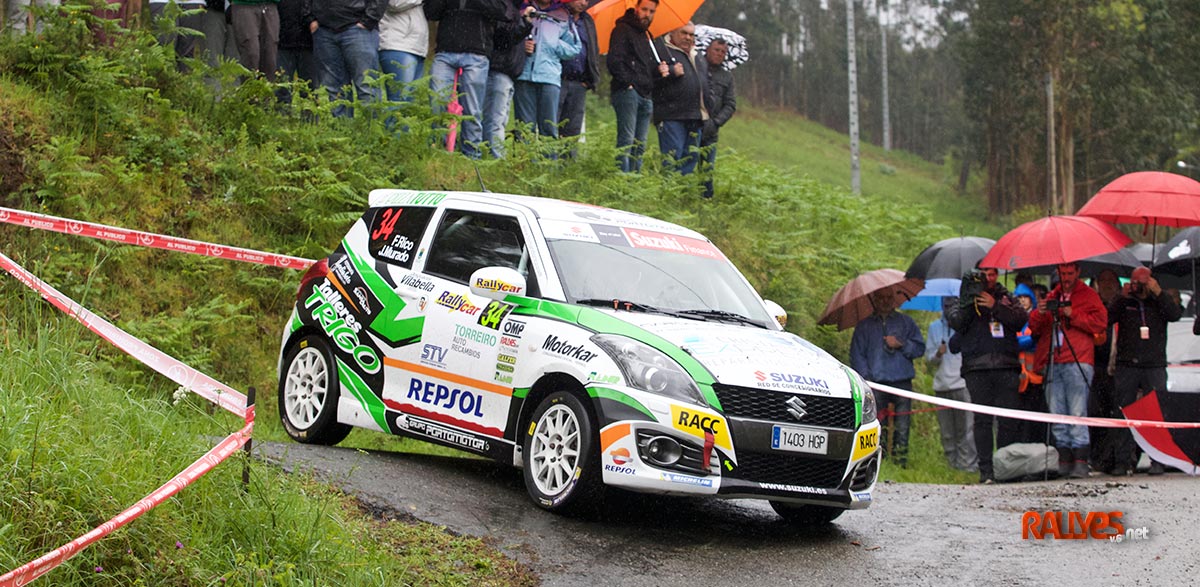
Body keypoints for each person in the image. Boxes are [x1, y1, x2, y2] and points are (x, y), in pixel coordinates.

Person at [946, 267, 1027, 484]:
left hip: (1007, 365)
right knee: (982, 420)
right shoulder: (963, 296)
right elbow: (955, 322)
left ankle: (1006, 467)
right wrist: (969, 301)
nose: (989, 279)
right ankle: (986, 470)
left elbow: (1021, 319)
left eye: (992, 274)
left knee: (1008, 419)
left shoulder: (1005, 296)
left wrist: (996, 306)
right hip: (976, 368)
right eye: (984, 275)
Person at [1029, 262, 1108, 479]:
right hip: (1053, 360)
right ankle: (1064, 458)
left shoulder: (1089, 295)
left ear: (1078, 272)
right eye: (1062, 273)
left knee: (1077, 411)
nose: (1066, 277)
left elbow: (1100, 323)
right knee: (1057, 412)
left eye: (1070, 273)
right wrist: (1040, 311)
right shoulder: (1052, 296)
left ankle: (1081, 460)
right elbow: (1034, 328)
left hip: (1078, 358)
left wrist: (1073, 314)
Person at [1108, 266, 1182, 475]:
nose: (1138, 287)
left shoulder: (1159, 301)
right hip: (1127, 364)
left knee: (1157, 411)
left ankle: (1158, 459)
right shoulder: (1125, 301)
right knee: (1123, 411)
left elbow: (1175, 315)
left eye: (1142, 282)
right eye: (1135, 282)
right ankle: (1122, 461)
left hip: (1154, 364)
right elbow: (1107, 318)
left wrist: (1158, 292)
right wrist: (1120, 297)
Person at [850, 287, 926, 467]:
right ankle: (877, 460)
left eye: (889, 297)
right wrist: (867, 380)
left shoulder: (906, 322)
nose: (885, 301)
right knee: (876, 424)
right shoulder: (864, 326)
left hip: (902, 381)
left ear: (894, 299)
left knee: (903, 425)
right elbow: (857, 355)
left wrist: (901, 344)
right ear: (874, 300)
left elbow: (919, 348)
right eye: (881, 297)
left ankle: (901, 462)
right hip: (876, 384)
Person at [424, 0, 508, 156]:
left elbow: (502, 11)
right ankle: (436, 152)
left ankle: (472, 156)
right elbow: (431, 12)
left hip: (477, 53)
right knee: (437, 102)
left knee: (472, 109)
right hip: (445, 51)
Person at [606, 0, 668, 173]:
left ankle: (634, 181)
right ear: (636, 9)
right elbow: (614, 61)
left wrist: (659, 71)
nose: (647, 14)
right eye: (644, 9)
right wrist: (629, 83)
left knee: (640, 144)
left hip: (645, 94)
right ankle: (622, 179)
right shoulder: (622, 30)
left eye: (652, 11)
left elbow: (645, 68)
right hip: (628, 92)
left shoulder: (646, 35)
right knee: (626, 140)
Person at [513, 0, 580, 144]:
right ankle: (523, 165)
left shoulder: (562, 15)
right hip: (524, 75)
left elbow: (574, 47)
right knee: (524, 128)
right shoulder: (522, 9)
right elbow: (510, 35)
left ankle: (547, 166)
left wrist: (554, 43)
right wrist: (521, 45)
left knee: (549, 128)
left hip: (549, 77)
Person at [305, 0, 385, 117]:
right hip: (324, 30)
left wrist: (369, 19)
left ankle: (372, 132)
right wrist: (310, 19)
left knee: (367, 86)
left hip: (359, 28)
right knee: (335, 90)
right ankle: (342, 131)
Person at [925, 296, 977, 472]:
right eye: (946, 305)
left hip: (962, 383)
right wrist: (938, 354)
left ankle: (968, 465)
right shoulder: (934, 327)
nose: (948, 309)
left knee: (966, 429)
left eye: (952, 305)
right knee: (948, 431)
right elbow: (929, 360)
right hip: (942, 385)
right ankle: (952, 466)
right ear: (941, 305)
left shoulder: (966, 325)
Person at [652, 22, 707, 175]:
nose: (688, 38)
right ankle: (668, 193)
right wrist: (671, 71)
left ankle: (682, 195)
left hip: (695, 116)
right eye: (684, 33)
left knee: (690, 159)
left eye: (691, 34)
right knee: (672, 158)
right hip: (671, 115)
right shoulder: (661, 51)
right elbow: (652, 80)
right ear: (673, 32)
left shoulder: (697, 56)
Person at [481, 0, 533, 158]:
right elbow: (503, 39)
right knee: (495, 119)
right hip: (498, 69)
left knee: (501, 118)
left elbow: (513, 40)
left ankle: (493, 156)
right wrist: (525, 23)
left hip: (510, 73)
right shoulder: (503, 8)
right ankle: (495, 158)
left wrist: (526, 48)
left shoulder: (514, 9)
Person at [1088, 269, 1122, 474]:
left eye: (1111, 281)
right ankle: (1097, 457)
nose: (1107, 285)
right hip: (1096, 367)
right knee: (1095, 412)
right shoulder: (1094, 306)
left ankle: (1114, 459)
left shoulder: (1122, 304)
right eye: (1103, 281)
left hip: (1119, 367)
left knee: (1116, 413)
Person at [557, 0, 599, 145]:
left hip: (579, 82)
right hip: (558, 78)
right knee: (552, 124)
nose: (583, 3)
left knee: (572, 132)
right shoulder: (557, 14)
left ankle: (568, 166)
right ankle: (548, 164)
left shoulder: (587, 21)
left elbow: (593, 49)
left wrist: (590, 79)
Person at [699, 37, 735, 198]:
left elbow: (730, 104)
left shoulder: (727, 77)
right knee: (686, 163)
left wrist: (717, 122)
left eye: (723, 52)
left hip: (711, 131)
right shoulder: (696, 66)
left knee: (707, 169)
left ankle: (705, 200)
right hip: (692, 123)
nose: (719, 54)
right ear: (708, 49)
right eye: (716, 50)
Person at [1012, 283, 1048, 445]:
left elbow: (1036, 339)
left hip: (1036, 378)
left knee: (1037, 419)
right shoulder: (1012, 320)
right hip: (1018, 379)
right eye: (1018, 298)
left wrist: (1025, 341)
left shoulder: (1035, 319)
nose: (1021, 301)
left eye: (1024, 297)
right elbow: (1012, 342)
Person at [377, 0, 428, 103]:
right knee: (399, 100)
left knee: (410, 103)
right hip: (397, 44)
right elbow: (395, 3)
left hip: (417, 47)